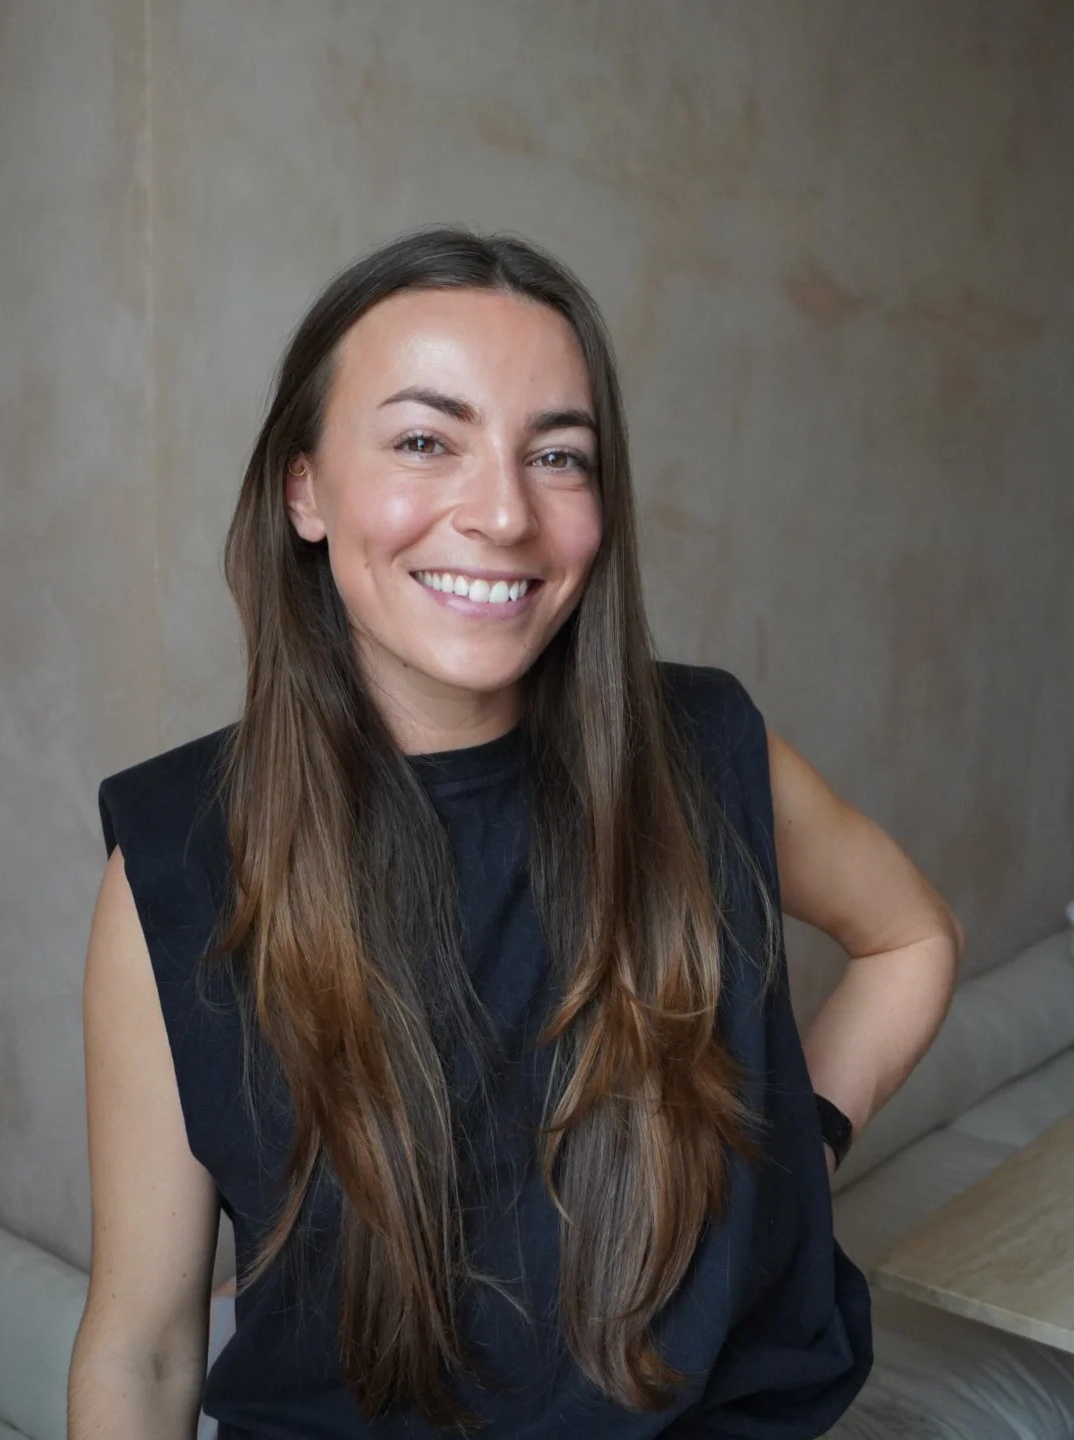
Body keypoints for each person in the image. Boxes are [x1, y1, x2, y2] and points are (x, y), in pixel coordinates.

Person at [67, 228, 962, 1440]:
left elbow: (910, 938)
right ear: (306, 491)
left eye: (558, 456)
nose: (502, 513)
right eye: (426, 440)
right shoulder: (176, 857)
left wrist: (790, 1162)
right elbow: (144, 1356)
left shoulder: (706, 751)